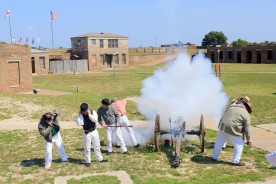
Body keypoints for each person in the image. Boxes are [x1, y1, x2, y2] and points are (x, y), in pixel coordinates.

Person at [212, 96, 252, 166]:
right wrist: (249, 140)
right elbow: (247, 128)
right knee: (239, 145)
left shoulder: (231, 106)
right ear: (246, 106)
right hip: (233, 129)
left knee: (219, 142)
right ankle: (235, 161)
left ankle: (214, 157)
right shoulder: (246, 114)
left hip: (222, 127)